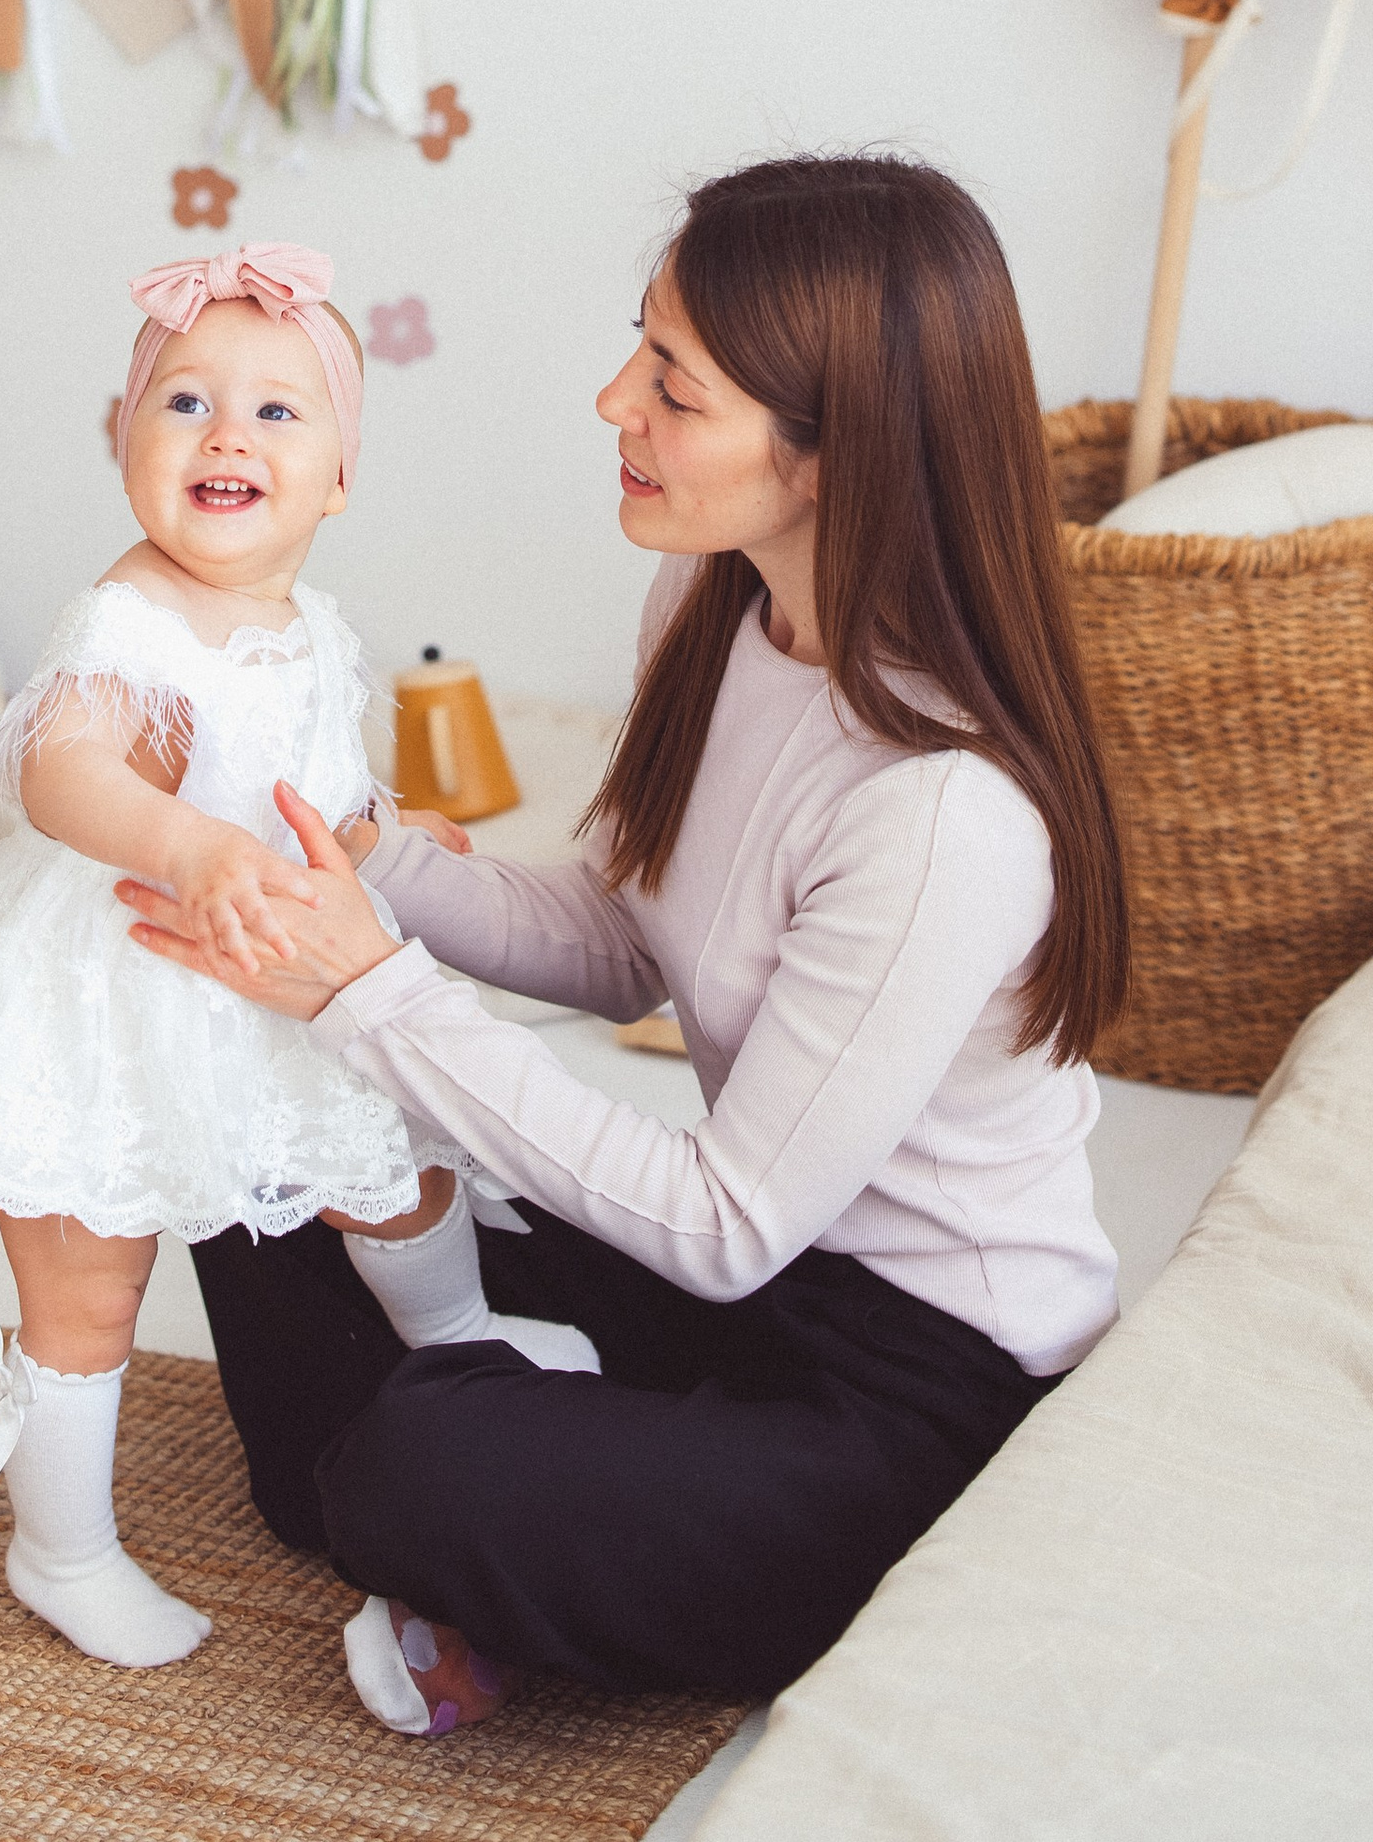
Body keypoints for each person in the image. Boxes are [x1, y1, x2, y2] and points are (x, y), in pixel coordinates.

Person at [122, 153, 1131, 1738]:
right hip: (754, 1305)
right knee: (260, 1181)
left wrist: (370, 992)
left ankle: (494, 1494)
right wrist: (367, 847)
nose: (614, 401)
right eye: (638, 348)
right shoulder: (714, 603)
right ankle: (522, 1494)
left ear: (826, 451)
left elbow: (730, 1219)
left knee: (410, 1459)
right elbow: (621, 940)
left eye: (675, 382)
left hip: (922, 1388)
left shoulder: (942, 813)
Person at [0, 240, 582, 1672]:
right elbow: (62, 768)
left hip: (278, 966)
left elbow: (317, 779)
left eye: (275, 411)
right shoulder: (123, 616)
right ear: (125, 440)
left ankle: (467, 1343)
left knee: (401, 1162)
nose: (226, 433)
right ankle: (61, 1546)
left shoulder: (315, 625)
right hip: (118, 983)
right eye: (183, 402)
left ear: (340, 477)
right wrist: (185, 844)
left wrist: (390, 830)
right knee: (90, 1277)